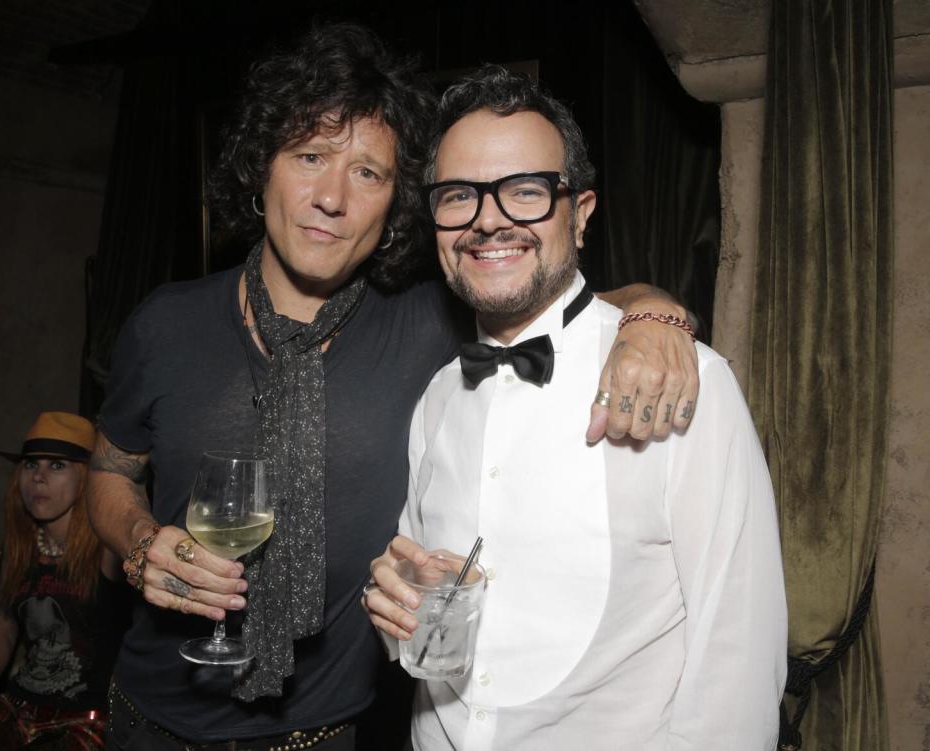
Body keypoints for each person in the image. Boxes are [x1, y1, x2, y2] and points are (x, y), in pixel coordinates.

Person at [86, 24, 700, 751]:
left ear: (395, 204)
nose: (331, 198)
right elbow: (108, 470)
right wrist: (141, 540)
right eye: (309, 156)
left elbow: (561, 297)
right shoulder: (166, 324)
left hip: (321, 737)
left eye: (368, 173)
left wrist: (655, 312)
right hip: (147, 722)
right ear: (262, 168)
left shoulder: (428, 325)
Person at [364, 66, 788, 750]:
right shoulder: (437, 397)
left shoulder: (685, 383)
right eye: (458, 197)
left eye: (526, 192)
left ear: (581, 213)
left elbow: (737, 671)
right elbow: (425, 626)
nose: (489, 219)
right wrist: (399, 606)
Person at [0, 412, 124, 751]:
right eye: (30, 465)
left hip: (88, 719)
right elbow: (5, 624)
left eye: (56, 465)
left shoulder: (108, 546)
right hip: (20, 706)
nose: (38, 478)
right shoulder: (19, 547)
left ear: (85, 478)